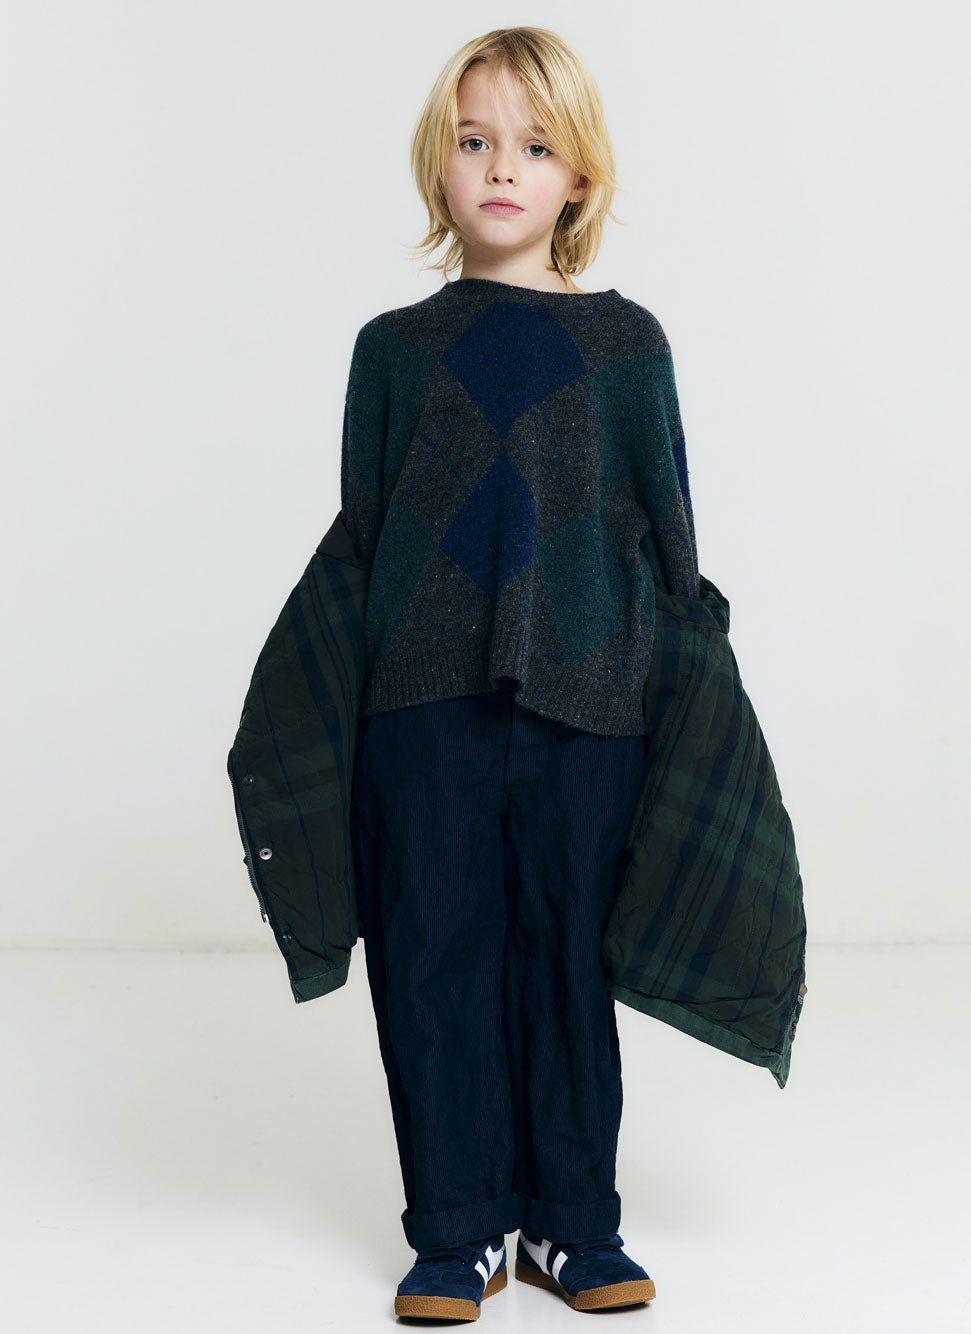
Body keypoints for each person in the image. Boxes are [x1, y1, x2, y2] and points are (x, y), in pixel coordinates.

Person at [343, 27, 697, 1321]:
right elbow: (365, 535)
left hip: (588, 703)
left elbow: (666, 528)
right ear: (438, 165)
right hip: (420, 704)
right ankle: (456, 1227)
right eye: (476, 141)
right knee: (430, 949)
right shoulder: (392, 350)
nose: (503, 168)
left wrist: (675, 696)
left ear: (579, 177)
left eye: (536, 146)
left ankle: (571, 1222)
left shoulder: (627, 344)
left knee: (566, 954)